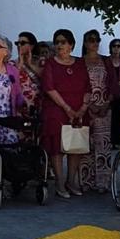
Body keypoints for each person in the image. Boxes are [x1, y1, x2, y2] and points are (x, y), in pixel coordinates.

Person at [41, 28, 92, 198]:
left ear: (71, 45)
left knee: (75, 145)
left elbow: (87, 87)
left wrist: (82, 109)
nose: (59, 45)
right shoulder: (50, 63)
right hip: (57, 109)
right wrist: (67, 108)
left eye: (63, 42)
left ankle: (71, 181)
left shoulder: (79, 63)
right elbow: (49, 87)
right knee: (57, 147)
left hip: (79, 111)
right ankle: (60, 183)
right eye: (57, 42)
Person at [79, 29, 113, 192]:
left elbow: (113, 85)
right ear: (85, 43)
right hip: (85, 108)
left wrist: (106, 104)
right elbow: (77, 87)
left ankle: (103, 183)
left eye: (96, 40)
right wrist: (89, 106)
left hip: (104, 108)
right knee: (86, 145)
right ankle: (86, 181)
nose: (94, 43)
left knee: (103, 145)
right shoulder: (79, 62)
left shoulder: (106, 61)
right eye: (91, 40)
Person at [0, 34, 25, 146]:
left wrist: (24, 104)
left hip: (7, 117)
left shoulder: (13, 70)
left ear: (6, 52)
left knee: (9, 150)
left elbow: (17, 94)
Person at [15, 32, 42, 117]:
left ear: (32, 46)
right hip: (20, 106)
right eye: (17, 43)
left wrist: (30, 64)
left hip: (38, 105)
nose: (19, 45)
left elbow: (45, 78)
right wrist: (21, 64)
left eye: (22, 43)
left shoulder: (40, 62)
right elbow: (12, 82)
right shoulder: (12, 63)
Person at [107, 37, 120, 147]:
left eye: (118, 46)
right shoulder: (106, 60)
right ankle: (109, 141)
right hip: (109, 92)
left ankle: (118, 141)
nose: (116, 48)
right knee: (109, 117)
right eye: (114, 46)